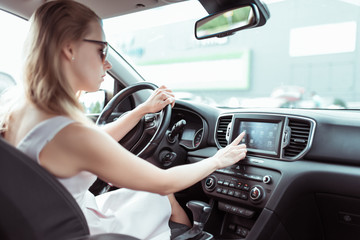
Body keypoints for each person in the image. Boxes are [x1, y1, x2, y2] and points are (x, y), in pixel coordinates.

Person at [0, 0, 247, 239]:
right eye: (101, 50)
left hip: (55, 220)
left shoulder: (19, 107)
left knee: (155, 197)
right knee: (160, 194)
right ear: (69, 48)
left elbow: (95, 142)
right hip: (81, 229)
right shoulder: (71, 134)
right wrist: (217, 160)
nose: (106, 63)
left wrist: (141, 111)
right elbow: (163, 182)